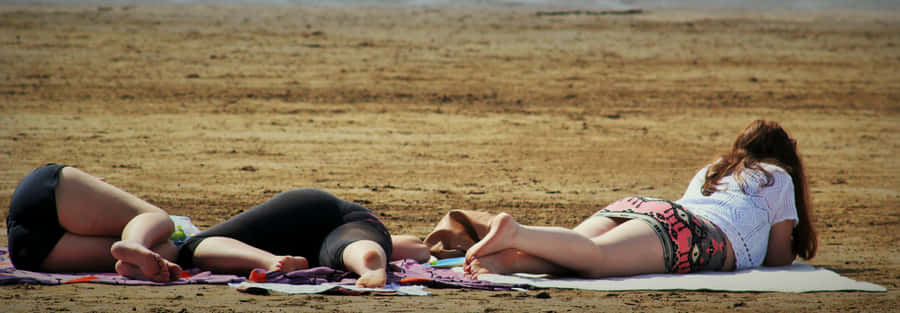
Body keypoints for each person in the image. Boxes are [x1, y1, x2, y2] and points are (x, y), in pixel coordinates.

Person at [464, 120, 818, 278]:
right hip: (694, 233)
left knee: (577, 252)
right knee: (598, 259)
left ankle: (507, 261)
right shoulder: (779, 176)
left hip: (649, 209)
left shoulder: (715, 168)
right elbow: (775, 258)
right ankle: (516, 232)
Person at [176, 188, 430, 288]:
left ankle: (270, 261)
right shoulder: (367, 234)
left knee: (193, 248)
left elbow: (414, 248)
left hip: (300, 213)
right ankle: (367, 262)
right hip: (354, 221)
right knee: (347, 248)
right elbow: (417, 248)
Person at [7, 164, 183, 282]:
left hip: (28, 251)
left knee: (166, 251)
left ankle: (134, 251)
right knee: (158, 219)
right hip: (38, 248)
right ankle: (134, 243)